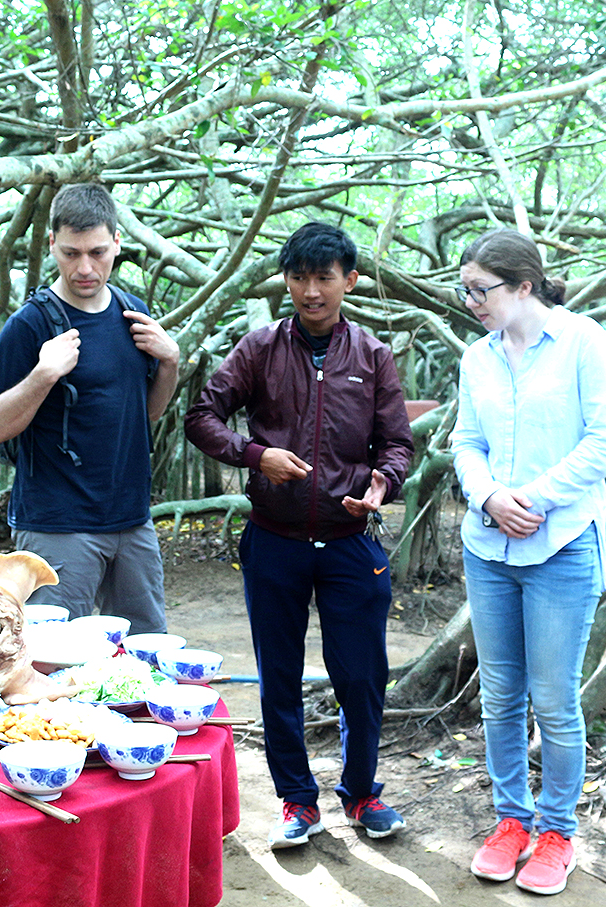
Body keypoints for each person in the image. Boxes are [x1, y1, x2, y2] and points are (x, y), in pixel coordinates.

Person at [185, 222, 414, 849]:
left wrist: (381, 485)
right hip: (274, 541)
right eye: (300, 278)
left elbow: (398, 443)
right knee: (278, 674)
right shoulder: (259, 348)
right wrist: (257, 455)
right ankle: (297, 802)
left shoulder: (373, 356)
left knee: (362, 675)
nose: (311, 291)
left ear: (350, 281)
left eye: (324, 278)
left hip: (349, 542)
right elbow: (202, 416)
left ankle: (363, 796)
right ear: (285, 280)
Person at [451, 229, 606, 895]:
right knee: (498, 696)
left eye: (481, 289)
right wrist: (489, 495)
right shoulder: (477, 358)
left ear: (523, 285)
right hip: (488, 546)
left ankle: (556, 831)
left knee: (553, 698)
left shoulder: (583, 341)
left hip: (559, 546)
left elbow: (602, 439)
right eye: (464, 289)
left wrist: (533, 499)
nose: (470, 301)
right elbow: (466, 440)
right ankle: (509, 819)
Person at [0, 183, 179, 635]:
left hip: (132, 520)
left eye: (97, 252)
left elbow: (143, 417)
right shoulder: (28, 327)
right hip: (58, 525)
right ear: (52, 245)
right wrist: (43, 375)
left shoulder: (133, 314)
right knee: (53, 657)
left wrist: (170, 363)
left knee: (148, 652)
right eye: (70, 253)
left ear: (118, 243)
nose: (85, 267)